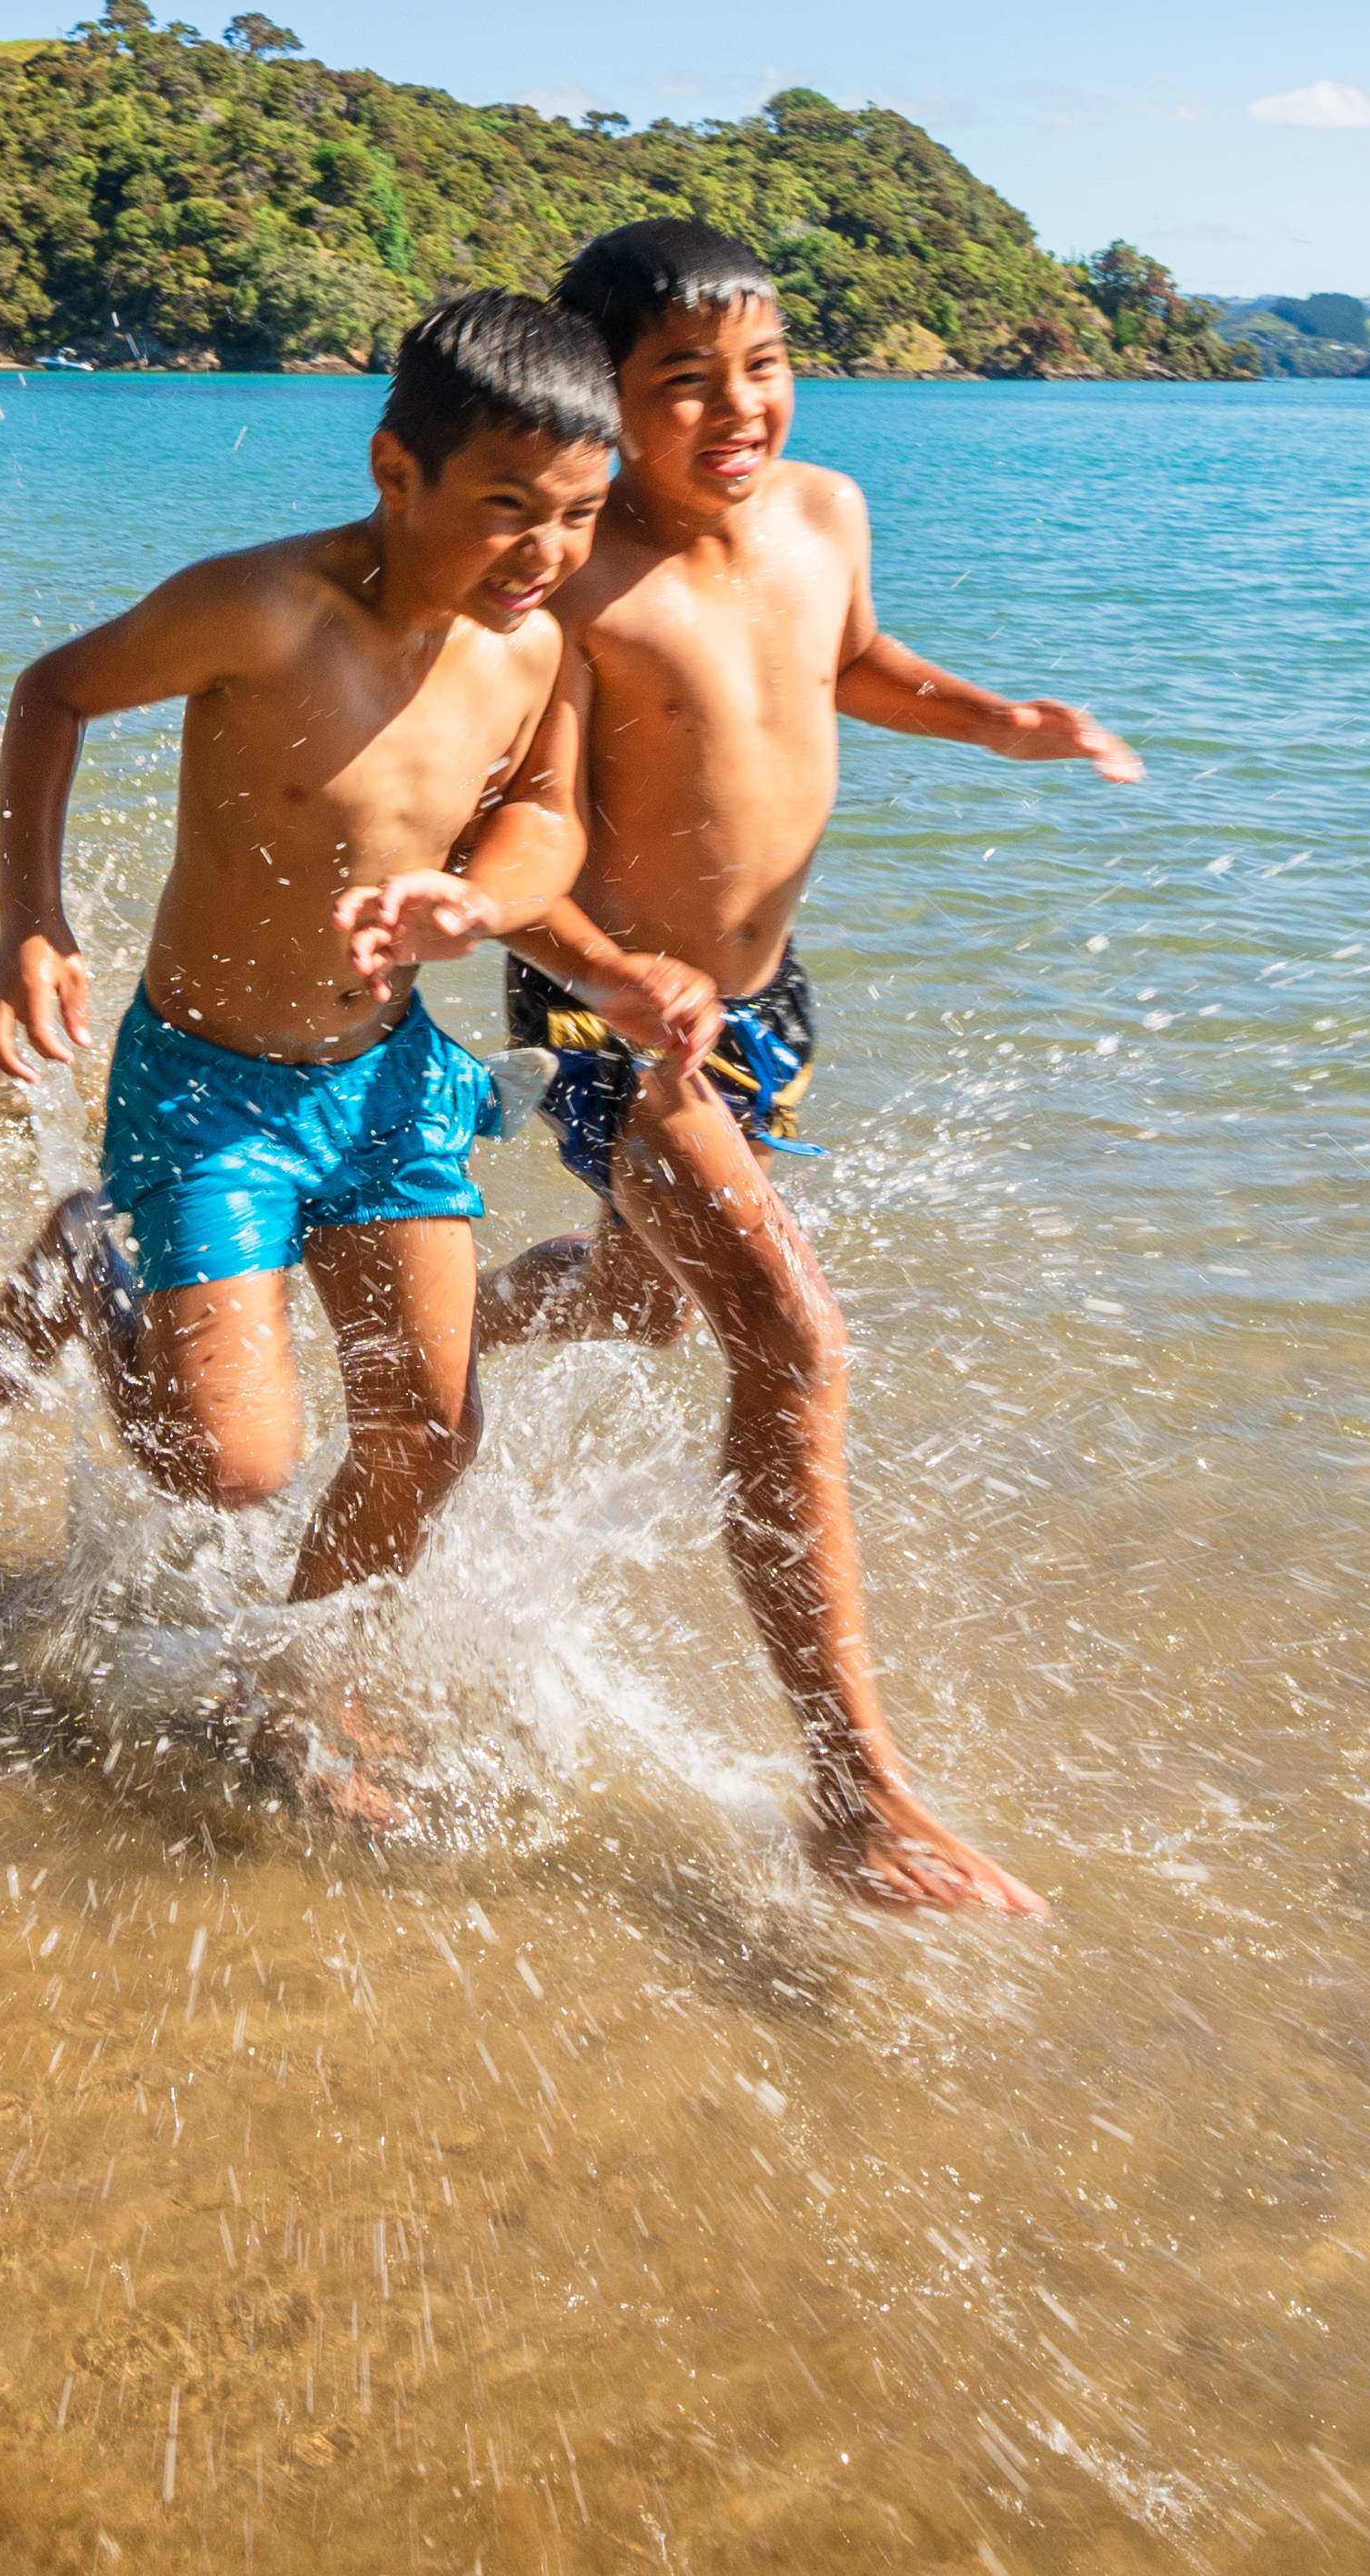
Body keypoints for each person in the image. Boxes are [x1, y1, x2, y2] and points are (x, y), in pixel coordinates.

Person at [469, 219, 1137, 1914]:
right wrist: (613, 981)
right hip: (618, 1023)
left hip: (770, 1008)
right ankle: (855, 1790)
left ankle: (403, 1307)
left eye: (761, 368)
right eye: (682, 386)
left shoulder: (827, 511)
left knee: (635, 1304)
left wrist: (999, 719)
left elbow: (850, 665)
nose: (738, 410)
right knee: (793, 1340)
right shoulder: (577, 581)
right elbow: (518, 849)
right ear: (606, 405)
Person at [0, 295, 653, 1816]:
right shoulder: (264, 606)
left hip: (392, 1079)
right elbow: (53, 692)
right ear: (396, 474)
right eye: (506, 512)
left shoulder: (533, 649)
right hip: (211, 1086)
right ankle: (95, 1271)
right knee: (238, 1465)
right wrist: (30, 924)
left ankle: (298, 1693)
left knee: (427, 1434)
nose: (544, 554)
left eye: (582, 518)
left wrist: (483, 896)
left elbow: (547, 816)